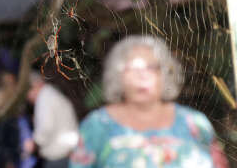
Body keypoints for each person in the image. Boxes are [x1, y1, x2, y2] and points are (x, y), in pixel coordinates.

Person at [69, 35, 228, 168]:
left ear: (165, 74)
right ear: (118, 76)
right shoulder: (97, 125)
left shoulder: (194, 122)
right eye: (133, 68)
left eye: (151, 68)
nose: (142, 76)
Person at [27, 71, 79, 168]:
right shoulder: (51, 94)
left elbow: (46, 127)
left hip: (59, 158)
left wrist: (34, 143)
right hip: (67, 153)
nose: (28, 97)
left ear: (35, 85)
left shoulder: (44, 99)